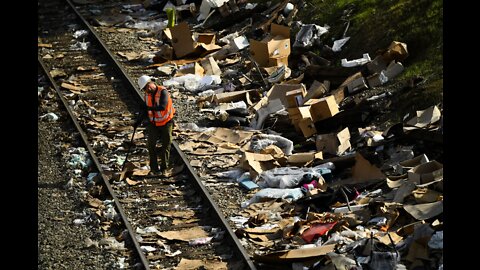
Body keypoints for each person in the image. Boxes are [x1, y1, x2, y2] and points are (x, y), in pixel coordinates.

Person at [135, 75, 175, 176]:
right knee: (151, 145)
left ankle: (164, 169)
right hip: (154, 123)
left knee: (165, 145)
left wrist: (148, 108)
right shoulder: (147, 95)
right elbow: (145, 110)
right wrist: (138, 120)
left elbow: (162, 106)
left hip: (166, 122)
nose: (146, 90)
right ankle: (154, 169)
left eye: (146, 88)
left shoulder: (163, 92)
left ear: (150, 84)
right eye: (144, 89)